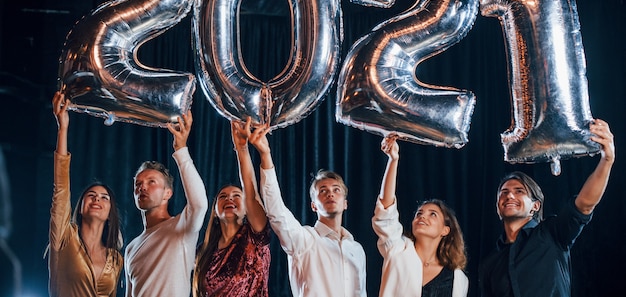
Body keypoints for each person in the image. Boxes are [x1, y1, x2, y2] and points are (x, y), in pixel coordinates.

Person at [479, 119, 615, 297]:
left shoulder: (552, 233)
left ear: (535, 206)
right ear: (498, 207)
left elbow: (585, 204)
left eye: (519, 191)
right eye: (503, 193)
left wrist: (607, 160)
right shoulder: (490, 263)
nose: (509, 196)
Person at [245, 122, 366, 297]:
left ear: (345, 203)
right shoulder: (305, 239)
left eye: (336, 190)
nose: (330, 194)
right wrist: (266, 154)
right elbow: (276, 211)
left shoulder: (357, 249)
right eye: (323, 191)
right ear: (313, 205)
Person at [124, 110, 208, 297]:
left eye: (151, 182)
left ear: (167, 193)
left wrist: (181, 150)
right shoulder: (131, 248)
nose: (142, 187)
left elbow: (200, 204)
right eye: (138, 184)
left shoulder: (182, 227)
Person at [373, 135, 468, 297]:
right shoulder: (397, 250)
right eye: (419, 213)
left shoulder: (458, 278)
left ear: (445, 230)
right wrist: (393, 160)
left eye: (433, 214)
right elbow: (386, 210)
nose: (422, 217)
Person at [48, 91, 123, 297]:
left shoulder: (116, 258)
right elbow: (61, 188)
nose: (97, 198)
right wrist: (63, 128)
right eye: (91, 195)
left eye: (104, 197)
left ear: (110, 214)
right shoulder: (64, 238)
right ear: (80, 208)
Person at [192, 118, 271, 296]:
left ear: (246, 210)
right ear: (215, 211)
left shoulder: (254, 237)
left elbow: (251, 193)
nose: (230, 199)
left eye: (237, 196)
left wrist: (242, 149)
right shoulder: (203, 251)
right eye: (223, 197)